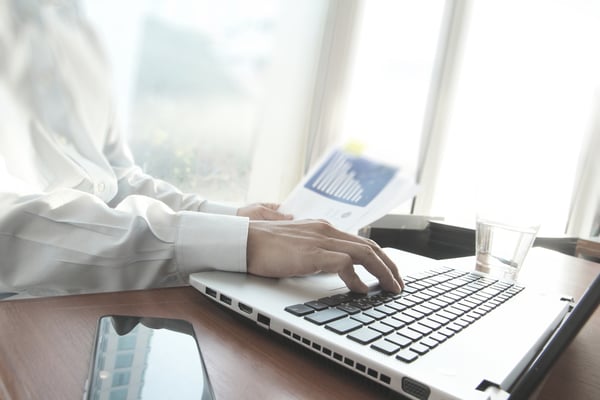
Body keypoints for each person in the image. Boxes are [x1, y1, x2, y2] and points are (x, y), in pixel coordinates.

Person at [0, 0, 402, 298]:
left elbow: (115, 178)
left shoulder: (76, 32)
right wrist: (243, 242)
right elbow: (9, 231)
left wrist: (239, 218)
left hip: (104, 294)